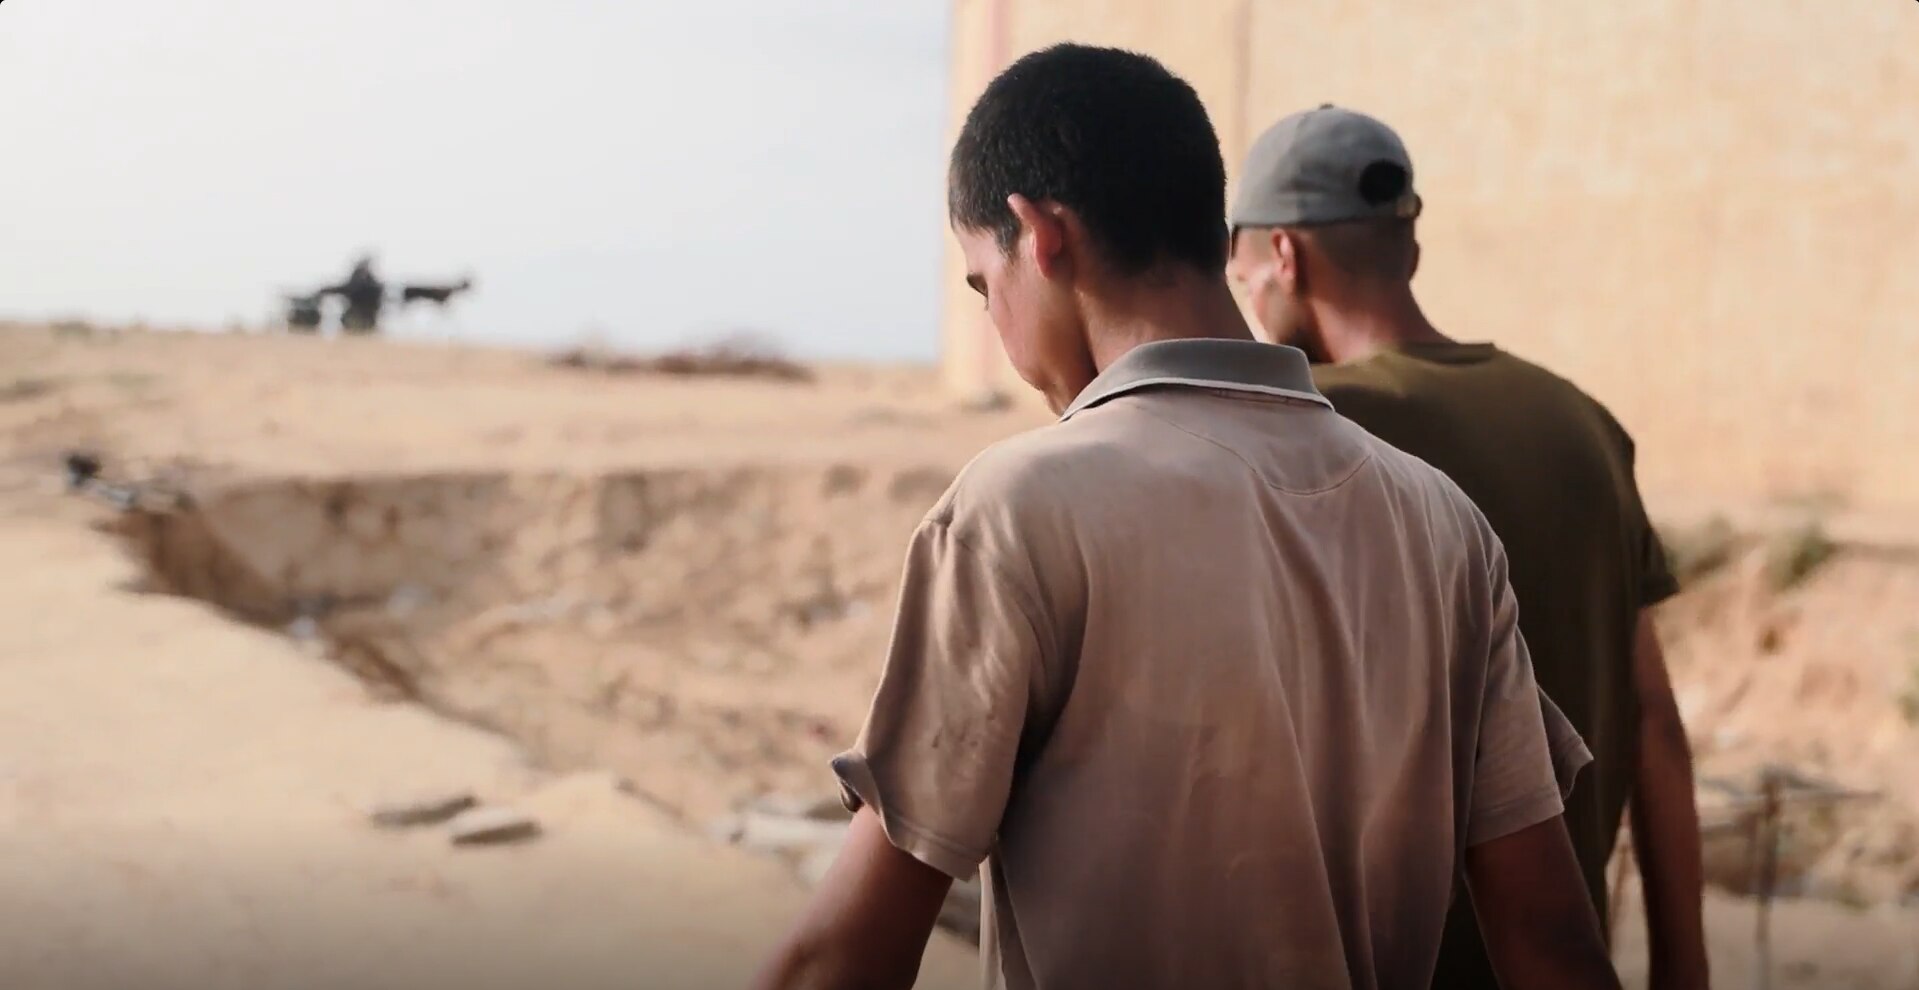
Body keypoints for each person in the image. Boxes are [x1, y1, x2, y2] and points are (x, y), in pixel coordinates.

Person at [756, 45, 1620, 990]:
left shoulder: (1018, 509)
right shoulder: (1443, 524)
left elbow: (842, 957)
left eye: (980, 283)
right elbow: (1553, 947)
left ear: (1038, 235)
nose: (995, 325)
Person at [1227, 105, 1709, 990]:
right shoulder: (1581, 421)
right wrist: (1685, 970)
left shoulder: (1306, 429)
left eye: (1244, 273)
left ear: (1284, 258)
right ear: (1408, 248)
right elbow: (1655, 726)